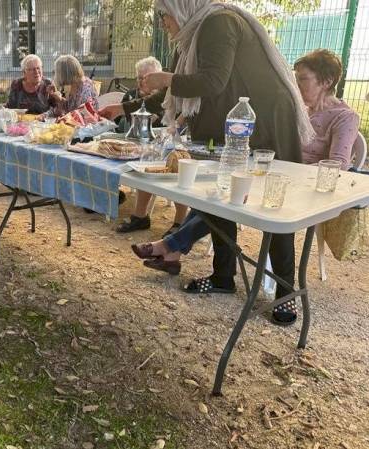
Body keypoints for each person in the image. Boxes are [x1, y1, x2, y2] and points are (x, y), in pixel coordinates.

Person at [113, 0, 315, 326]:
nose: (163, 22)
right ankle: (223, 277)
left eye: (165, 14)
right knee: (218, 199)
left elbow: (212, 82)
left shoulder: (219, 22)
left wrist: (167, 78)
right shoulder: (193, 37)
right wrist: (122, 110)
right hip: (233, 130)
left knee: (275, 206)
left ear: (182, 7)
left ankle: (285, 293)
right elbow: (174, 94)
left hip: (266, 125)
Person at [132, 48, 360, 282]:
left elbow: (337, 166)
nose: (296, 85)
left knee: (226, 198)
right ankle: (174, 252)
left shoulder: (344, 117)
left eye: (303, 79)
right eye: (295, 78)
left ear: (327, 81)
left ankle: (171, 247)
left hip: (302, 189)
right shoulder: (298, 109)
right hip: (271, 177)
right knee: (217, 196)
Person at [115, 56, 187, 235]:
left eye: (146, 77)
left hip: (174, 143)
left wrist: (173, 126)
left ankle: (180, 221)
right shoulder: (133, 96)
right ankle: (140, 216)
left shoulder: (171, 93)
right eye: (139, 77)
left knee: (177, 166)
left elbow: (185, 111)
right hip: (147, 147)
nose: (141, 82)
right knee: (145, 162)